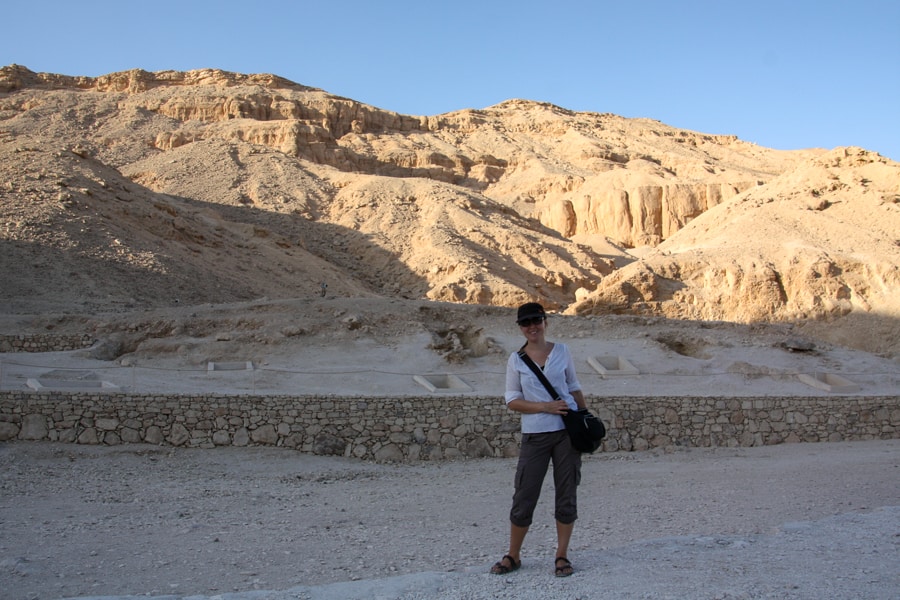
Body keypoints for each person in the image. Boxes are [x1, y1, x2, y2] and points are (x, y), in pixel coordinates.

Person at [491, 302, 587, 578]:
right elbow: (512, 400)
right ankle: (514, 555)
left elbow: (573, 386)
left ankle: (562, 555)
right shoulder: (516, 360)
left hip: (566, 433)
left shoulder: (563, 351)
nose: (532, 326)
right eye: (525, 323)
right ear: (520, 328)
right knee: (525, 493)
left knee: (567, 492)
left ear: (546, 321)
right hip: (535, 433)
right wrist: (545, 407)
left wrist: (585, 418)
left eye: (536, 320)